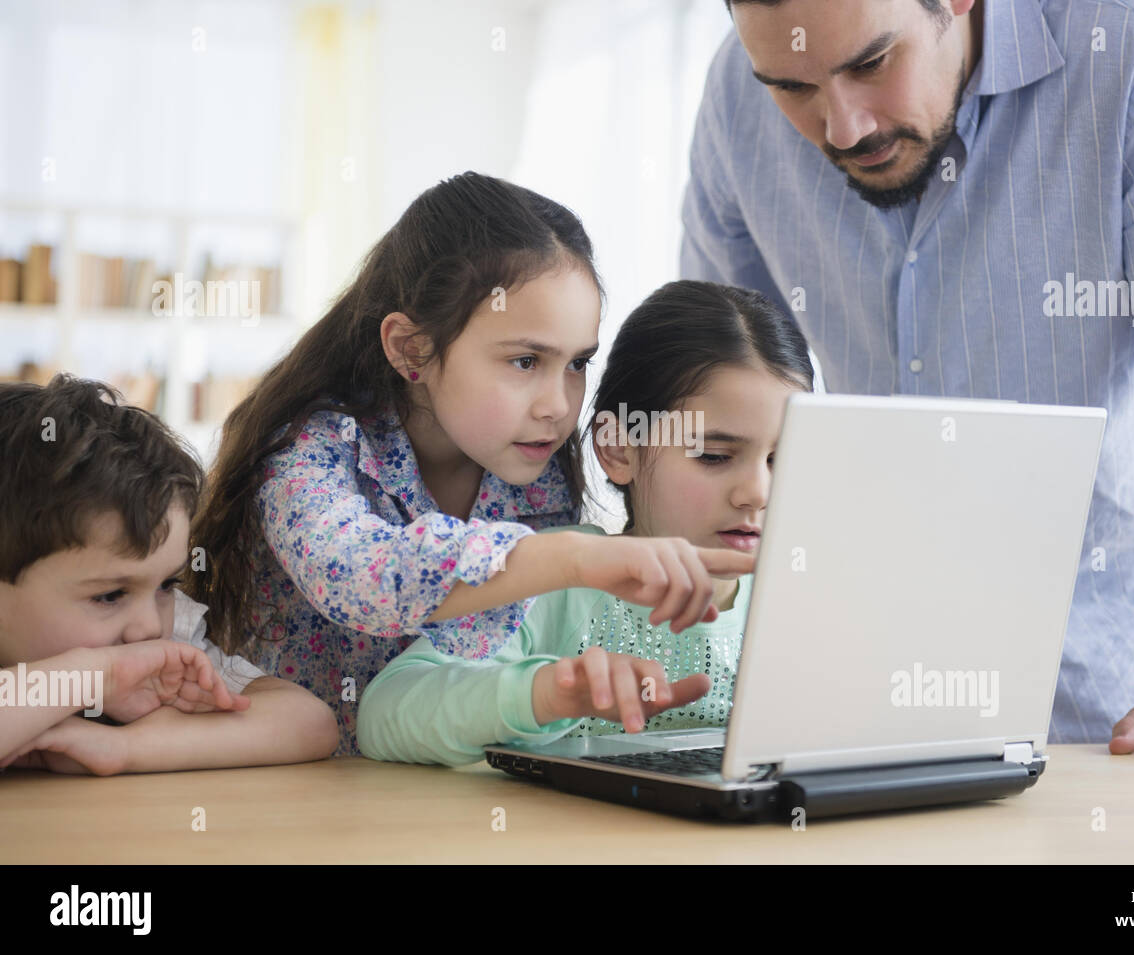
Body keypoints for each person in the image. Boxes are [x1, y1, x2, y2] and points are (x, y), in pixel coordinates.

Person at [680, 0, 1134, 778]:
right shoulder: (736, 98)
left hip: (1106, 726)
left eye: (870, 64)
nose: (843, 128)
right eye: (792, 87)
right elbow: (714, 396)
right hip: (835, 718)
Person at [187, 174, 753, 756]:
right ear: (411, 349)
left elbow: (478, 660)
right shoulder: (313, 451)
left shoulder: (537, 476)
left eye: (578, 363)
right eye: (526, 360)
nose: (559, 406)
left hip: (431, 785)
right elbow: (361, 580)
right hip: (283, 780)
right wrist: (574, 556)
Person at [358, 280, 812, 765]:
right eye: (715, 455)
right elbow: (383, 714)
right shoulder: (562, 578)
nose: (758, 493)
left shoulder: (804, 601)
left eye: (783, 458)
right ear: (619, 448)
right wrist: (545, 693)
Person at [0, 375, 338, 774]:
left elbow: (309, 723)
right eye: (110, 595)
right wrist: (95, 677)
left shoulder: (164, 636)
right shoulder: (118, 659)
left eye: (166, 584)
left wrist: (124, 747)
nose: (148, 626)